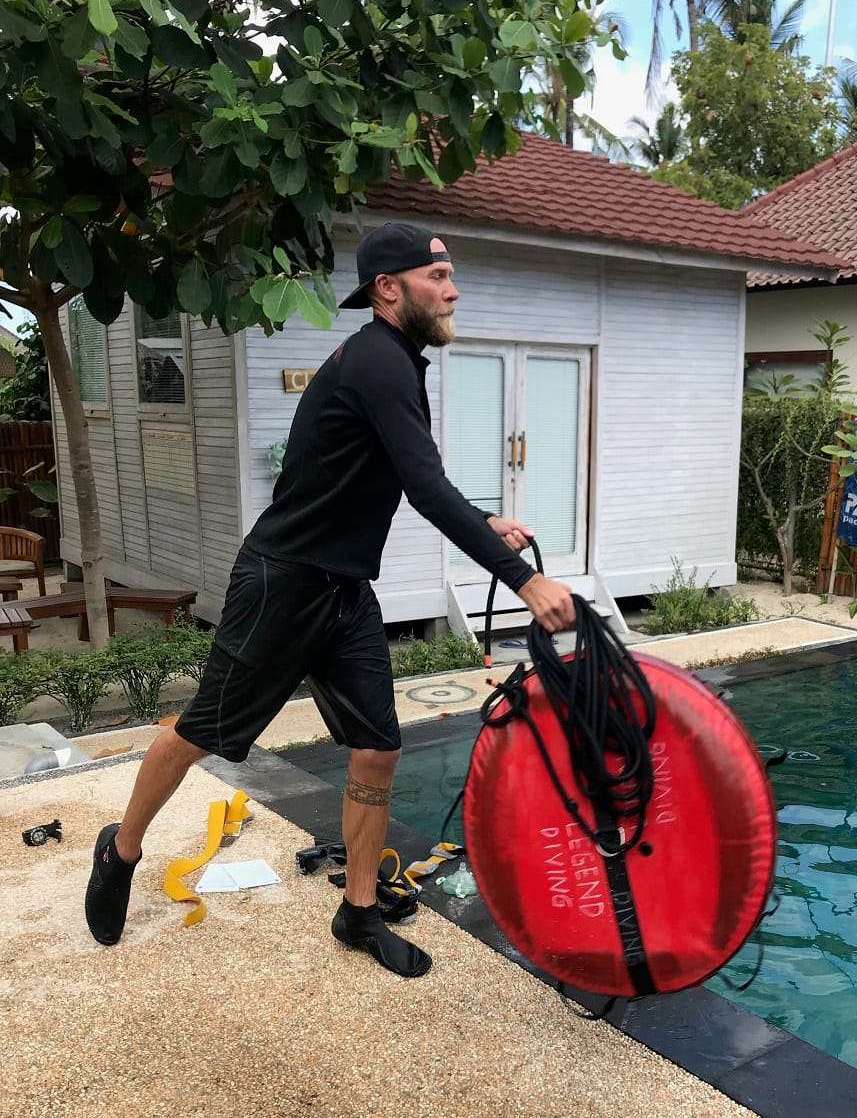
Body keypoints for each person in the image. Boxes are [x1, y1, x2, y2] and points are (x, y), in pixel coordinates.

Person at [85, 221, 576, 977]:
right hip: (282, 582)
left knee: (378, 746)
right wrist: (525, 581)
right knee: (199, 733)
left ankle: (357, 911)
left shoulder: (396, 362)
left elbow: (414, 477)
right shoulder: (377, 361)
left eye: (451, 277)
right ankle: (119, 850)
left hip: (344, 590)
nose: (453, 290)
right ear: (389, 289)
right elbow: (422, 485)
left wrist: (483, 520)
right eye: (437, 277)